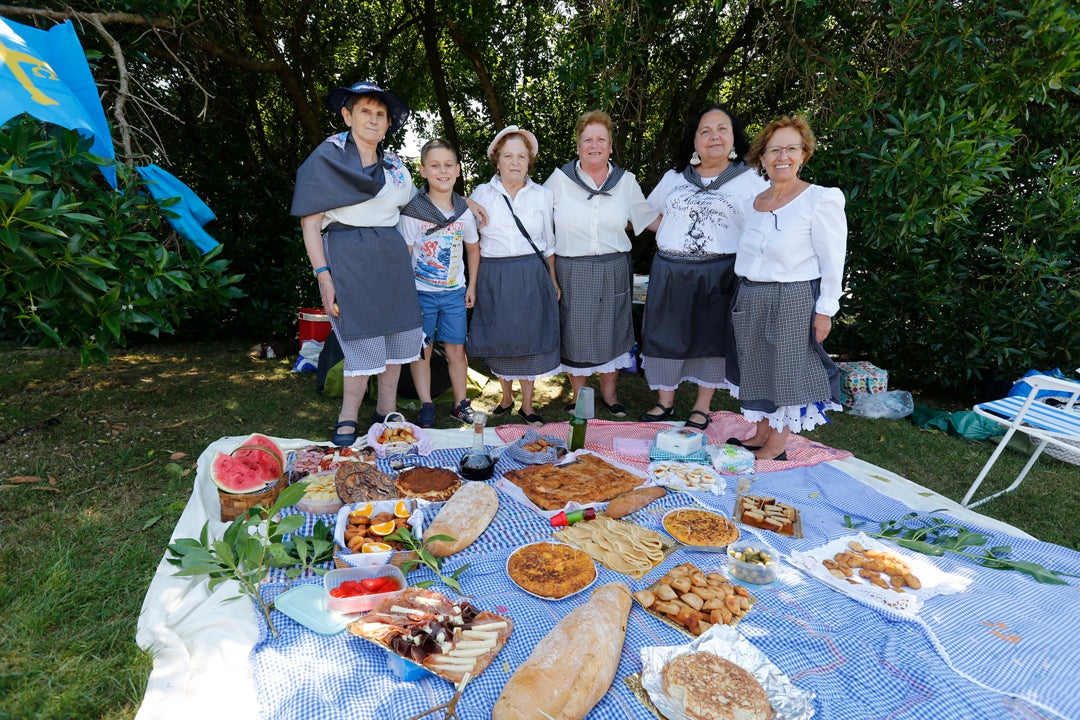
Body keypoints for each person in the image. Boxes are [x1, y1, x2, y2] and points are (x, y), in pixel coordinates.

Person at [291, 81, 423, 446]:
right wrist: (323, 275)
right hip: (347, 252)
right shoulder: (326, 158)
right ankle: (348, 413)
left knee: (397, 333)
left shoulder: (396, 167)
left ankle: (386, 410)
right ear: (348, 116)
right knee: (360, 337)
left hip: (391, 256)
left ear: (387, 124)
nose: (373, 119)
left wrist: (465, 205)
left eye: (380, 114)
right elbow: (311, 223)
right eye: (365, 111)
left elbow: (419, 207)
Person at [638, 102, 768, 429]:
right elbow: (645, 215)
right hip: (670, 271)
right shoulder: (674, 178)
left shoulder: (752, 180)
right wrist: (672, 231)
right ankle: (664, 401)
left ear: (733, 138)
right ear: (695, 141)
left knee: (710, 339)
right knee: (664, 337)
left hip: (719, 274)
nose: (714, 136)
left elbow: (767, 223)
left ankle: (701, 406)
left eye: (721, 129)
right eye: (705, 130)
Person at [731, 115, 846, 460]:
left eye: (791, 149)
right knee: (756, 366)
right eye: (774, 149)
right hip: (751, 294)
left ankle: (777, 445)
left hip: (793, 295)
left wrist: (826, 309)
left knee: (786, 370)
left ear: (804, 154)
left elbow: (833, 259)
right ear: (762, 158)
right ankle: (761, 432)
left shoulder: (819, 199)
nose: (783, 156)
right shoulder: (754, 202)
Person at [544, 110, 657, 417]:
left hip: (613, 267)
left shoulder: (627, 182)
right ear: (578, 145)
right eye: (587, 139)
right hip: (571, 268)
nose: (594, 145)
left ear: (610, 147)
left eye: (601, 139)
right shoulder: (558, 180)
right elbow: (535, 217)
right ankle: (580, 398)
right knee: (574, 333)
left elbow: (649, 220)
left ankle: (610, 395)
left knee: (612, 331)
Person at [467, 125, 560, 427]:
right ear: (497, 160)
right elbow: (466, 233)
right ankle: (506, 398)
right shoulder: (481, 192)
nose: (515, 162)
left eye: (521, 156)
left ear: (529, 161)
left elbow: (548, 243)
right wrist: (465, 201)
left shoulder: (543, 195)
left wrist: (553, 280)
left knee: (529, 336)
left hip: (531, 272)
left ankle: (528, 406)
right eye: (508, 155)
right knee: (501, 337)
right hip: (494, 273)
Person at [397, 138, 480, 428]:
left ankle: (460, 405)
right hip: (421, 294)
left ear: (457, 170)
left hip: (455, 293)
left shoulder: (464, 210)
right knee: (424, 349)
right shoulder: (413, 212)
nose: (442, 171)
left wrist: (471, 286)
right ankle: (427, 404)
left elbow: (473, 248)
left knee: (457, 349)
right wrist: (405, 294)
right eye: (434, 165)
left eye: (448, 165)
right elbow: (404, 255)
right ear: (422, 170)